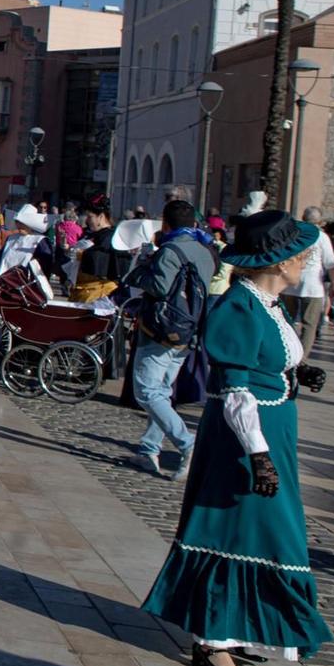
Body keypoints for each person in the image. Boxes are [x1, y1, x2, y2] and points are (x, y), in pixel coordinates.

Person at [141, 209, 334, 666]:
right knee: (234, 531)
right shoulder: (238, 307)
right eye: (301, 254)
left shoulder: (271, 305)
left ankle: (233, 630)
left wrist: (294, 373)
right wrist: (258, 454)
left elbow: (267, 360)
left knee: (262, 533)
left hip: (274, 432)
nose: (307, 260)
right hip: (244, 439)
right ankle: (212, 639)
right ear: (279, 261)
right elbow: (235, 391)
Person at [122, 199, 216, 480]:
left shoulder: (169, 251)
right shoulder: (206, 251)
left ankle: (187, 443)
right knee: (162, 391)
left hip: (160, 330)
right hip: (188, 330)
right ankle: (149, 449)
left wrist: (142, 264)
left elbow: (159, 287)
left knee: (147, 392)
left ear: (166, 223)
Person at [280, 206, 334, 359]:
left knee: (287, 321)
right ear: (319, 221)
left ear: (303, 218)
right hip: (313, 285)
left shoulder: (294, 233)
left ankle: (286, 351)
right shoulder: (322, 237)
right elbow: (330, 263)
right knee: (309, 324)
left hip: (290, 282)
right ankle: (301, 358)